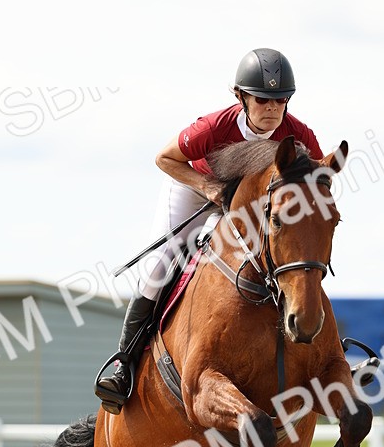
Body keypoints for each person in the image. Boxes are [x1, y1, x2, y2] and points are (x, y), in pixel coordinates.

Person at [94, 47, 324, 412]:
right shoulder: (214, 127)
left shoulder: (298, 135)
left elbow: (315, 183)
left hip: (250, 208)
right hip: (194, 186)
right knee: (162, 264)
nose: (272, 109)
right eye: (262, 99)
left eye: (281, 100)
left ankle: (321, 358)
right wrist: (206, 187)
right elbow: (164, 158)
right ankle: (124, 363)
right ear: (241, 97)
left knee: (290, 263)